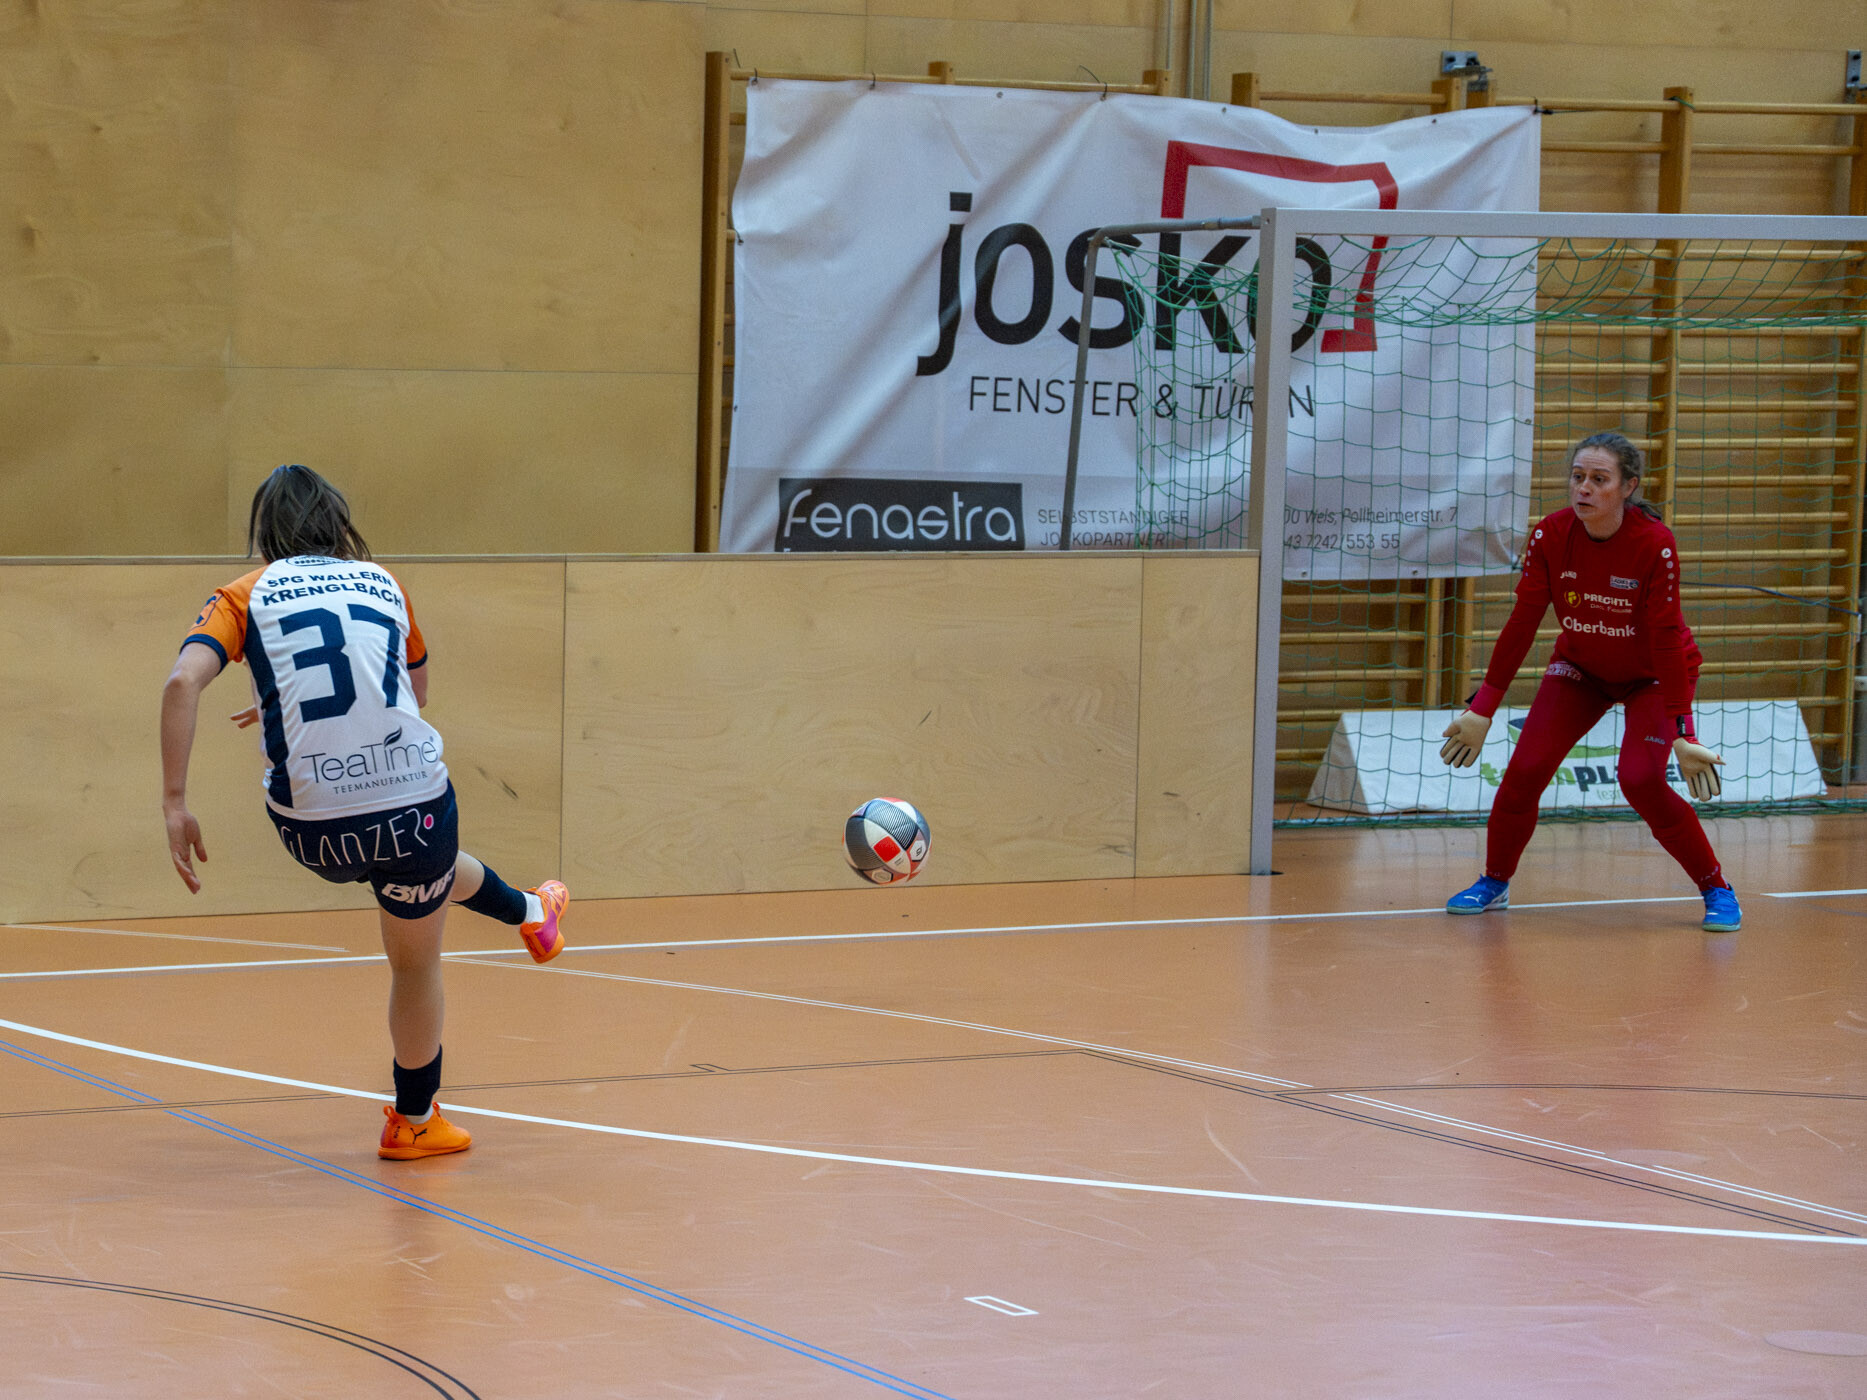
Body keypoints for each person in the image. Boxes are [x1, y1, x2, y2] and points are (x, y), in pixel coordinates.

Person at [160, 464, 569, 1160]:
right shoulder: (382, 582)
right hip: (412, 806)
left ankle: (532, 912)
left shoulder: (242, 594)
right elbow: (416, 691)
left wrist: (175, 802)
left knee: (422, 870)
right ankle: (414, 1122)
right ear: (337, 522)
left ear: (265, 531)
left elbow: (181, 681)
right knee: (415, 951)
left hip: (311, 829)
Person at [1438, 431, 1741, 933]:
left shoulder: (1655, 544)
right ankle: (1494, 881)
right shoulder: (1550, 535)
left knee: (1641, 780)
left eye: (1599, 479)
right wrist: (1483, 707)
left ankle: (1717, 888)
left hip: (1652, 677)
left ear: (1628, 487)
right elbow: (1522, 623)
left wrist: (1683, 732)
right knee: (1524, 770)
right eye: (1578, 477)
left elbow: (1668, 640)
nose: (1584, 488)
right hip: (1581, 670)